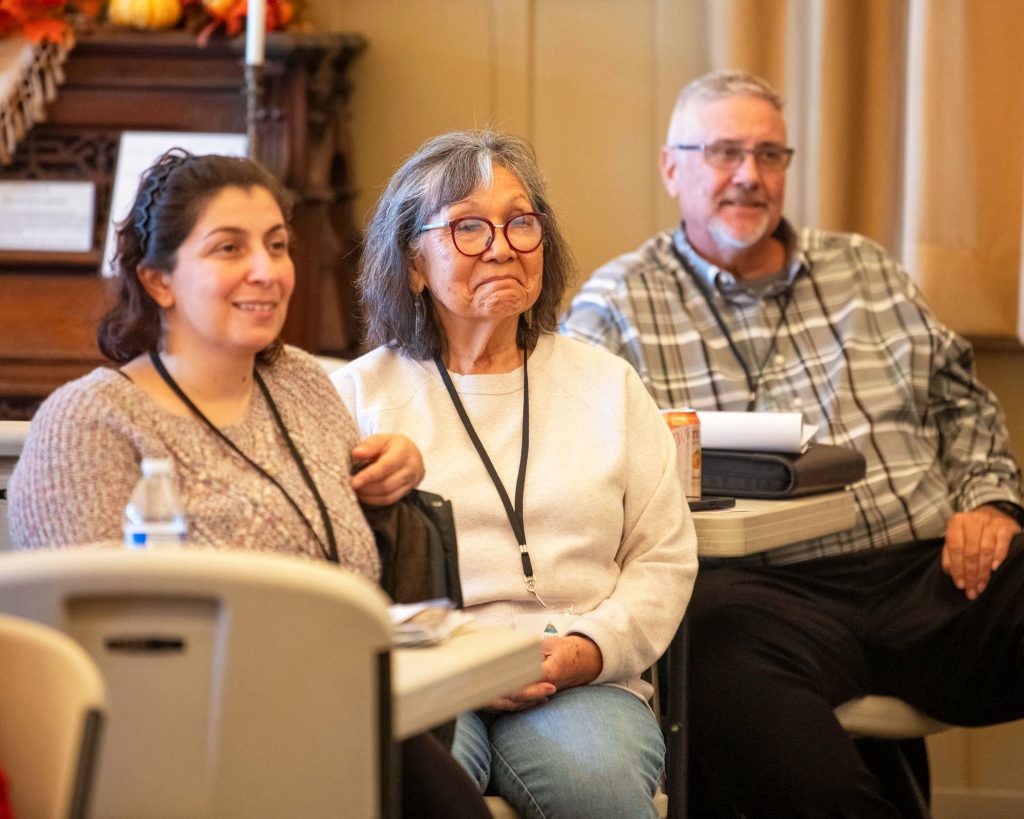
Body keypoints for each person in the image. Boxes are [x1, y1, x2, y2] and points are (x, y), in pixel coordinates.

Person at [561, 68, 1024, 818]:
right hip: (757, 597)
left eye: (770, 155)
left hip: (934, 571)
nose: (749, 176)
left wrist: (992, 500)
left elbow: (959, 402)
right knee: (716, 665)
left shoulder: (867, 268)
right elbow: (574, 455)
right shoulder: (616, 306)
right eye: (724, 153)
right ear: (671, 166)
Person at [6, 149, 490, 819]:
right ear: (158, 279)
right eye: (229, 248)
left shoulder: (300, 383)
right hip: (182, 758)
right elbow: (82, 656)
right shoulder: (89, 423)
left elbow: (346, 539)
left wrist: (398, 467)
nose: (266, 271)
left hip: (339, 715)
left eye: (277, 245)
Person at [332, 129, 698, 818]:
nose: (501, 246)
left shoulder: (608, 385)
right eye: (468, 226)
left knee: (596, 785)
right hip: (425, 675)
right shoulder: (357, 397)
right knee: (407, 787)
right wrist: (460, 661)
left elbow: (664, 557)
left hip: (583, 677)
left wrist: (589, 648)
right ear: (413, 262)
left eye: (520, 222)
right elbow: (336, 576)